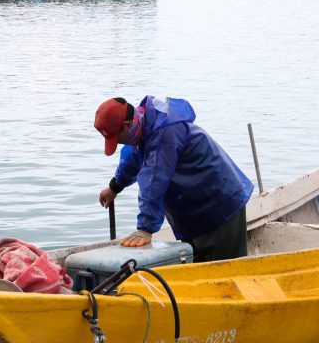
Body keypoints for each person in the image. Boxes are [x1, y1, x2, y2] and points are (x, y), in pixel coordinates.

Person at [94, 96, 254, 262]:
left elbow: (154, 180)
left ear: (127, 125)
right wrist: (114, 187)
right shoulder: (143, 127)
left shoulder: (164, 131)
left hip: (219, 204)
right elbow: (133, 158)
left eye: (117, 139)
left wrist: (145, 228)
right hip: (193, 212)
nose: (119, 144)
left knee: (225, 273)